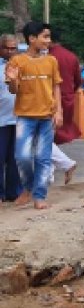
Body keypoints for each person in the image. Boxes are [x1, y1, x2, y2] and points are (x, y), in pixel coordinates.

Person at [5, 21, 62, 210]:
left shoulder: (51, 61)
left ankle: (39, 195)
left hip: (47, 116)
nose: (49, 40)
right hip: (24, 116)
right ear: (32, 39)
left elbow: (56, 86)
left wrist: (59, 111)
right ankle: (28, 187)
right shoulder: (17, 62)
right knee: (22, 156)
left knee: (43, 158)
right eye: (45, 37)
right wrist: (13, 81)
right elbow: (14, 90)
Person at [48, 30, 82, 145]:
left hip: (49, 96)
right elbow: (78, 80)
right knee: (64, 127)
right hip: (67, 95)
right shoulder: (71, 56)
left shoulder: (47, 56)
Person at [0, 34, 20, 202]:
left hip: (20, 118)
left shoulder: (23, 65)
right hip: (1, 120)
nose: (10, 51)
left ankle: (14, 192)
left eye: (13, 48)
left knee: (16, 158)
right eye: (6, 47)